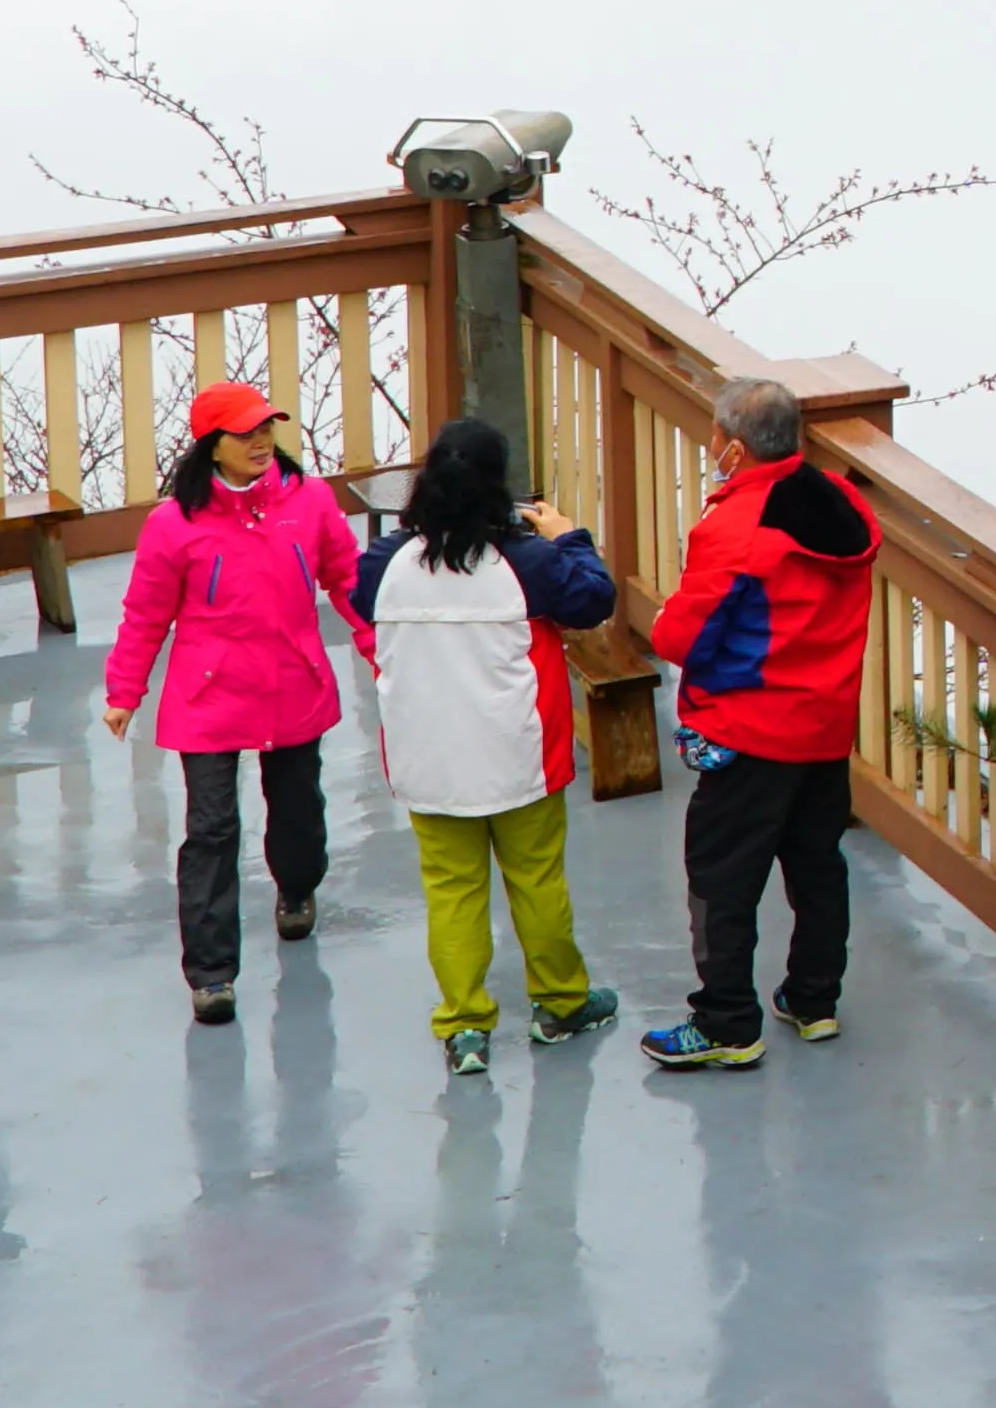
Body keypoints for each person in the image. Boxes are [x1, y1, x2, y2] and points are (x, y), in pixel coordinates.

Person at [350, 416, 622, 1076]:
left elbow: (359, 602)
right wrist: (569, 537)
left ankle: (465, 1025)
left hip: (427, 759)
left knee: (452, 891)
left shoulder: (385, 565)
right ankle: (560, 1003)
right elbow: (594, 600)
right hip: (517, 753)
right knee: (537, 880)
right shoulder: (527, 562)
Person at [101, 377, 361, 1024]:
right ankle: (211, 973)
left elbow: (348, 579)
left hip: (293, 681)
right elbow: (145, 614)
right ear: (211, 445)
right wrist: (124, 690)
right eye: (245, 432)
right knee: (211, 830)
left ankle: (296, 887)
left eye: (267, 427)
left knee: (298, 808)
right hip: (209, 695)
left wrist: (381, 646)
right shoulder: (173, 524)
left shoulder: (311, 501)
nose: (260, 441)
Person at [640, 373, 872, 1072]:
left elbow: (681, 635)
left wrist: (663, 618)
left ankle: (726, 1022)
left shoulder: (737, 528)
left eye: (715, 436)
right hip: (823, 724)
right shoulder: (842, 503)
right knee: (817, 864)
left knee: (721, 876)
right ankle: (814, 999)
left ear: (735, 448)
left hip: (752, 729)